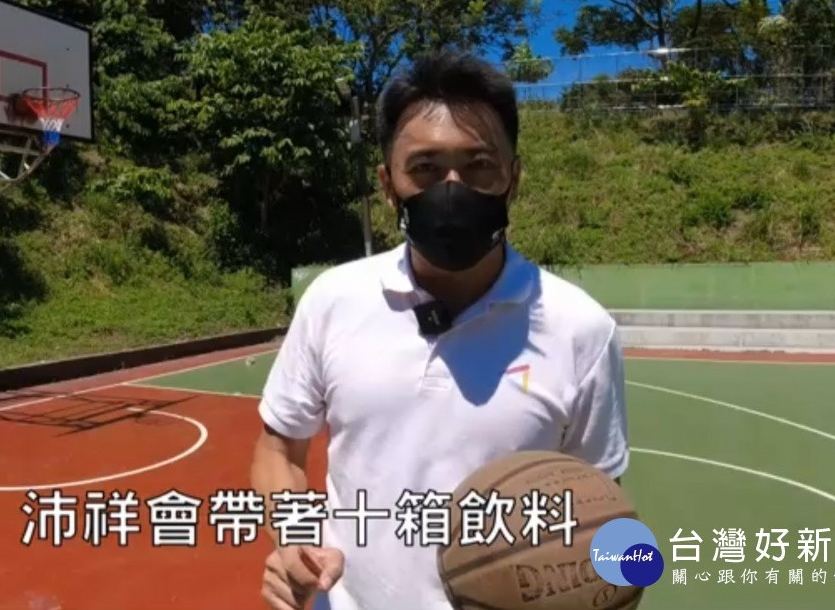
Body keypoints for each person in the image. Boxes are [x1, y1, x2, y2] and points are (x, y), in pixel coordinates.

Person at [250, 50, 629, 610]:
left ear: (513, 178)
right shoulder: (334, 300)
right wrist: (295, 540)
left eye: (479, 166)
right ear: (388, 185)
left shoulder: (581, 330)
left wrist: (614, 575)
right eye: (425, 169)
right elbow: (280, 449)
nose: (453, 189)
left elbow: (599, 502)